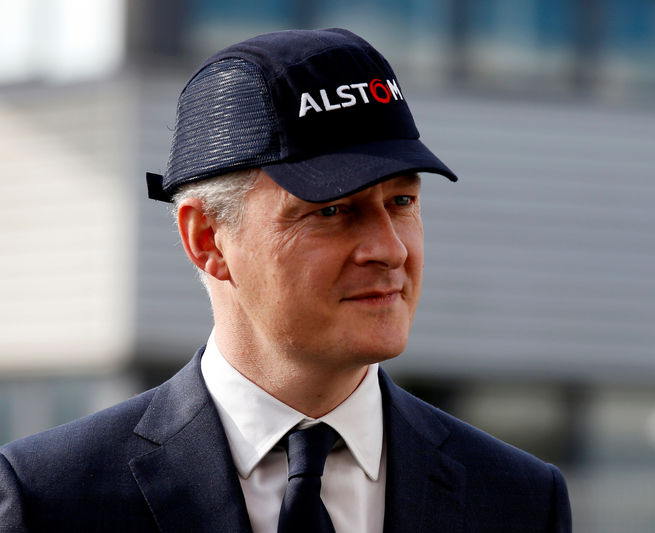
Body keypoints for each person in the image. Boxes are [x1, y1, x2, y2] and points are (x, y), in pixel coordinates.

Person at [0, 28, 571, 532]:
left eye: (401, 202)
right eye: (331, 211)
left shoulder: (519, 500)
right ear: (208, 239)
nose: (389, 249)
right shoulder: (51, 498)